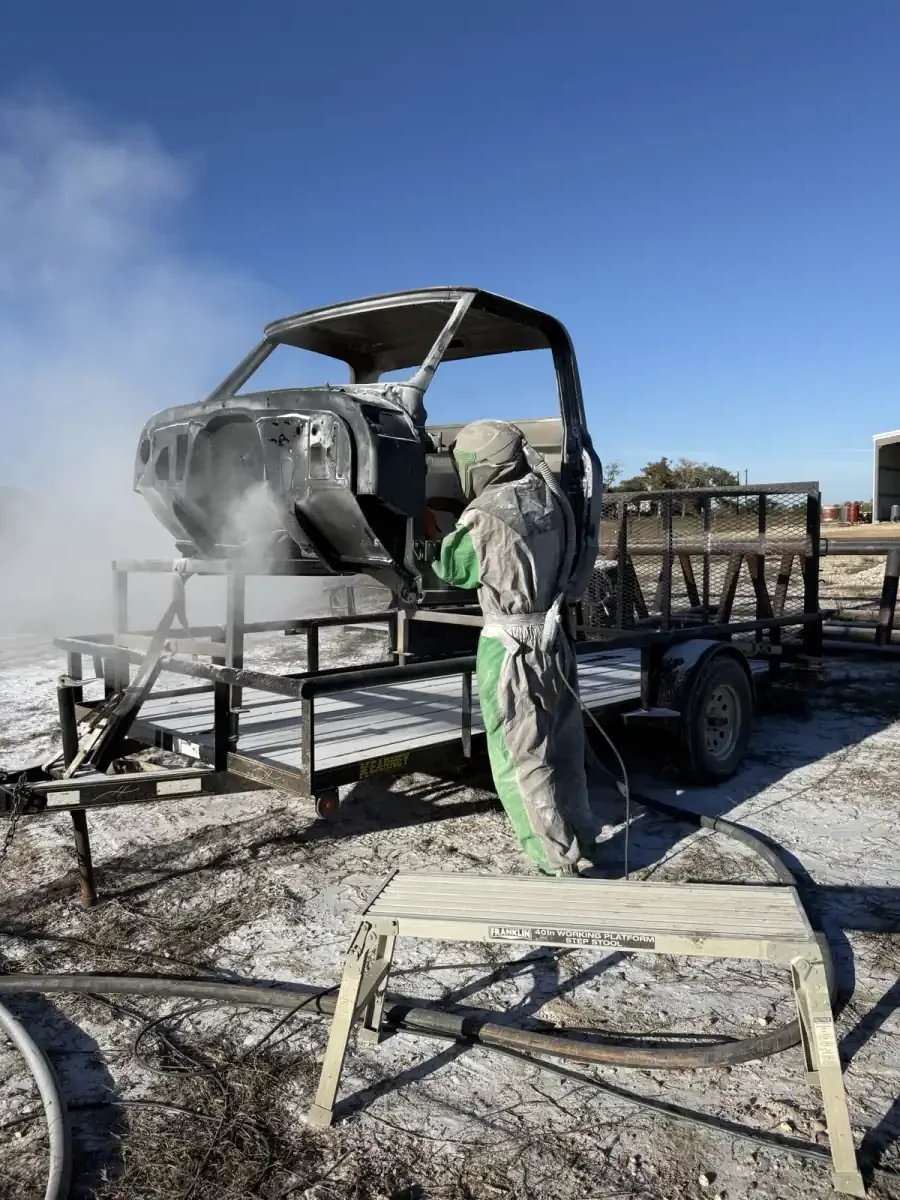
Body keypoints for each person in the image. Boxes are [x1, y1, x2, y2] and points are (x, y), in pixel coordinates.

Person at [431, 419, 600, 875]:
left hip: (509, 648)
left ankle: (555, 861)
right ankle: (583, 838)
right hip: (553, 638)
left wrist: (433, 533)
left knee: (520, 756)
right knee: (564, 747)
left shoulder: (484, 514)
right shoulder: (552, 496)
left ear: (477, 466)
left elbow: (455, 569)